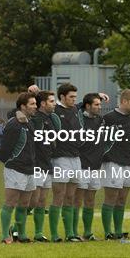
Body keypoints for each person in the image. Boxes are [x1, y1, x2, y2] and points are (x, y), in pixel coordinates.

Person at [101, 89, 130, 240]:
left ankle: (118, 231)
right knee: (111, 197)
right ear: (124, 101)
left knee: (122, 198)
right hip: (113, 162)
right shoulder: (109, 118)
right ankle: (107, 232)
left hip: (128, 162)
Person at [0, 92, 37, 244]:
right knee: (10, 203)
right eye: (32, 104)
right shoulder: (14, 124)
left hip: (29, 169)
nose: (35, 106)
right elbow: (4, 151)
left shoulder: (29, 122)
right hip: (15, 169)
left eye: (35, 103)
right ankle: (5, 235)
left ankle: (21, 234)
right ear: (23, 106)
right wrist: (12, 162)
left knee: (25, 204)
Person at [51, 83, 85, 242]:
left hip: (76, 158)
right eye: (71, 97)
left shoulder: (75, 110)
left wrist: (98, 95)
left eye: (75, 97)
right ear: (62, 97)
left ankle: (70, 233)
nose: (74, 100)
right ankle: (54, 235)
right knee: (59, 196)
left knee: (71, 197)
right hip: (60, 158)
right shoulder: (54, 110)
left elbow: (83, 104)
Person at [29, 91, 59, 242]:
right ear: (43, 103)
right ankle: (15, 228)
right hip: (36, 165)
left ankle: (38, 233)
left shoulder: (51, 118)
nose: (54, 104)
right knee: (33, 201)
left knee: (42, 201)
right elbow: (12, 113)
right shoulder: (34, 118)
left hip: (48, 164)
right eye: (52, 101)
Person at [74, 93, 104, 240]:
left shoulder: (100, 120)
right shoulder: (79, 118)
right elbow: (75, 108)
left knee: (90, 201)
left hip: (96, 166)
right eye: (97, 104)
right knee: (77, 200)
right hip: (82, 165)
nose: (100, 107)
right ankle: (73, 233)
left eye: (100, 104)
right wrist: (96, 94)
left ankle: (88, 232)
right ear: (87, 106)